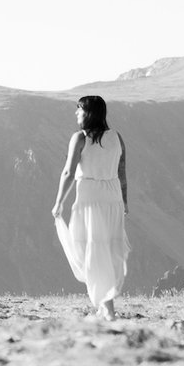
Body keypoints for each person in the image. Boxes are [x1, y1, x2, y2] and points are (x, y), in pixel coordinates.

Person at [51, 93, 131, 319]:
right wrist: (124, 201)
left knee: (89, 249)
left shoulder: (80, 138)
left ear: (88, 113)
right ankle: (106, 303)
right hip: (113, 198)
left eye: (80, 109)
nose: (76, 112)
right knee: (107, 249)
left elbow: (68, 172)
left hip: (90, 198)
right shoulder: (117, 137)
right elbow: (122, 173)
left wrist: (59, 202)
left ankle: (107, 306)